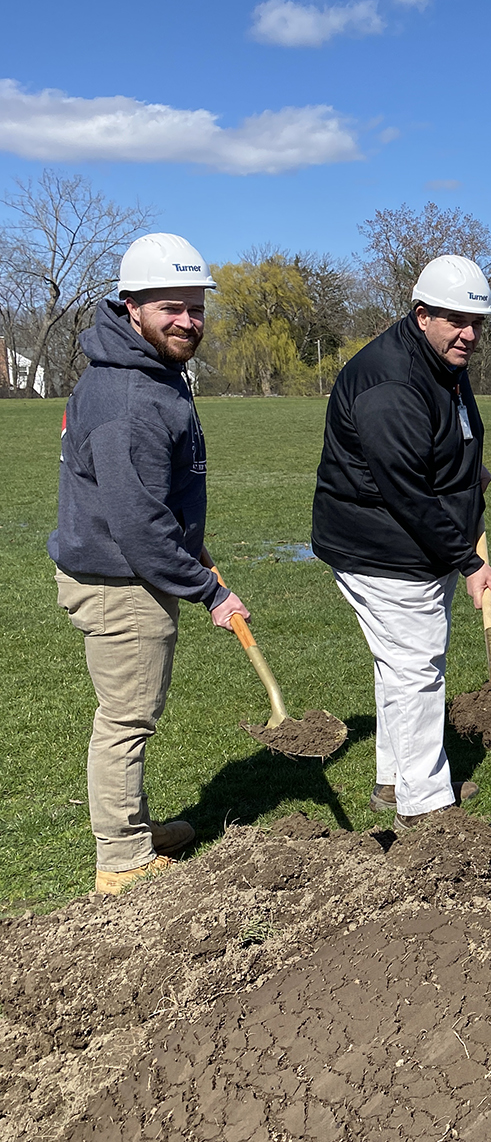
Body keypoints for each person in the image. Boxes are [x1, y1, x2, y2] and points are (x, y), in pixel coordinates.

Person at [51, 233, 249, 895]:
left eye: (196, 307)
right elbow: (137, 525)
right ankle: (123, 861)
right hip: (119, 581)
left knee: (129, 711)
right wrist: (210, 592)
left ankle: (131, 827)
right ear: (132, 306)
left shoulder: (143, 370)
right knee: (127, 718)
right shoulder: (130, 399)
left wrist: (193, 543)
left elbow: (149, 498)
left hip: (126, 568)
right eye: (172, 307)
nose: (189, 321)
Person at [311, 255, 491, 831]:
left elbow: (454, 444)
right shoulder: (391, 382)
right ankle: (427, 807)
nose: (468, 334)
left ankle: (394, 780)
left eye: (477, 322)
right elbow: (408, 492)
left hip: (413, 539)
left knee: (399, 665)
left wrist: (474, 489)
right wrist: (468, 560)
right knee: (418, 667)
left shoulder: (444, 363)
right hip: (384, 545)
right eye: (454, 320)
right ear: (421, 315)